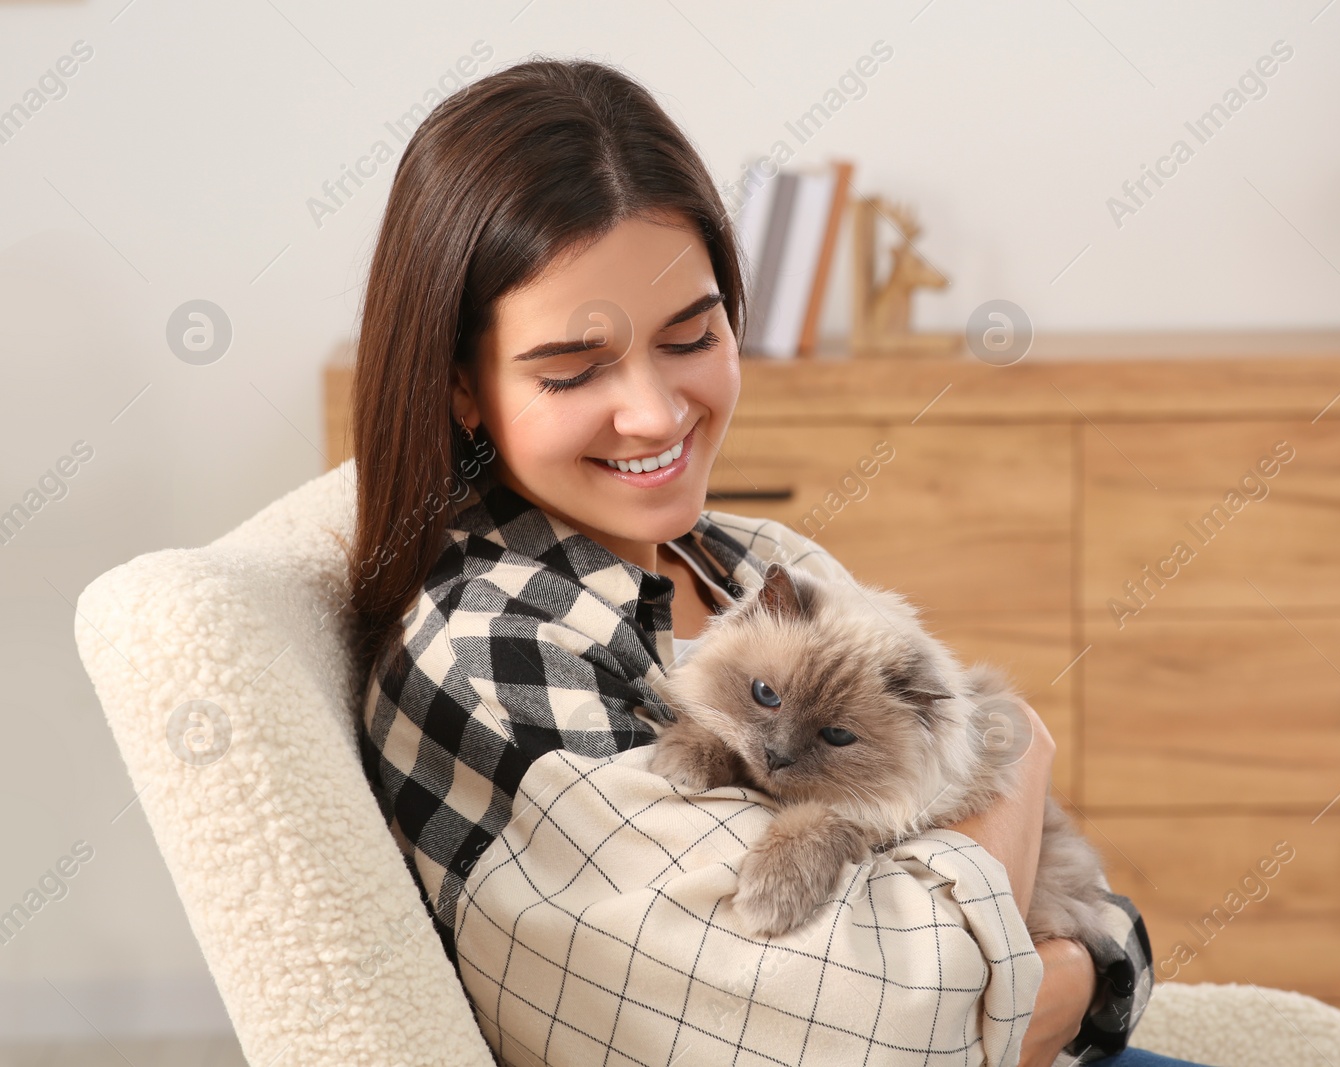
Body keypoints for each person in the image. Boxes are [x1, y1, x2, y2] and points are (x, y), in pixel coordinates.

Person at [348, 55, 1200, 1067]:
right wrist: (1023, 777)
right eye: (574, 369)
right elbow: (878, 1028)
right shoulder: (496, 649)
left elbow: (1104, 936)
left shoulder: (758, 561)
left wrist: (1077, 968)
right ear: (459, 384)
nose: (656, 413)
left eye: (691, 335)